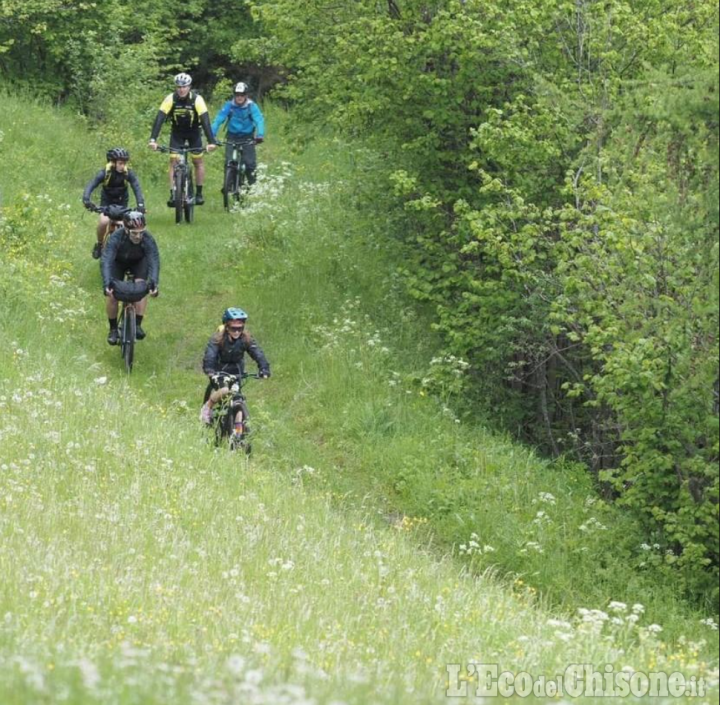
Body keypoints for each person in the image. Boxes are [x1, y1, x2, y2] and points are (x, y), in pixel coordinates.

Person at [148, 72, 217, 206]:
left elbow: (205, 121)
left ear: (189, 87)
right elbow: (159, 119)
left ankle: (199, 193)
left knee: (197, 161)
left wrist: (211, 142)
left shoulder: (197, 99)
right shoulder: (170, 99)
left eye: (184, 86)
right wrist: (152, 140)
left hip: (194, 132)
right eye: (179, 87)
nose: (181, 89)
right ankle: (174, 194)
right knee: (173, 161)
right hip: (177, 133)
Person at [200, 307, 270, 424]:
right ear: (227, 326)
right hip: (219, 372)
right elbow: (210, 354)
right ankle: (207, 408)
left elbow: (257, 352)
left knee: (238, 398)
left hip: (237, 372)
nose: (237, 332)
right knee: (224, 390)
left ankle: (237, 432)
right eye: (233, 328)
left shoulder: (246, 338)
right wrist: (209, 369)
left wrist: (264, 368)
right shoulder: (218, 339)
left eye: (240, 328)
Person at [100, 211, 160, 345]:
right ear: (126, 230)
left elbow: (154, 260)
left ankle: (137, 324)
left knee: (142, 286)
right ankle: (113, 329)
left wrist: (154, 283)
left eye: (141, 232)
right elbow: (107, 260)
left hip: (139, 262)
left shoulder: (148, 239)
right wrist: (106, 283)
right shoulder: (116, 237)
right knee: (112, 295)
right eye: (134, 233)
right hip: (118, 262)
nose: (138, 236)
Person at [83, 147, 145, 259]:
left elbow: (136, 187)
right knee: (103, 222)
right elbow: (91, 185)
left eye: (124, 163)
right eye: (120, 163)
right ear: (113, 163)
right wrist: (86, 199)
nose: (123, 166)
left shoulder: (128, 173)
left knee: (126, 225)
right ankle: (100, 244)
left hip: (122, 204)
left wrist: (140, 204)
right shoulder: (104, 173)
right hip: (106, 203)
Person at [211, 82, 265, 188]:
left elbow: (259, 120)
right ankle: (228, 185)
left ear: (246, 95)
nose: (239, 97)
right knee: (229, 162)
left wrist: (260, 135)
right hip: (232, 136)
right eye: (237, 95)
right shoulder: (229, 106)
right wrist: (212, 135)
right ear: (234, 95)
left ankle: (253, 187)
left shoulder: (251, 106)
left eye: (242, 95)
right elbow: (218, 120)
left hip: (247, 137)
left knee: (250, 164)